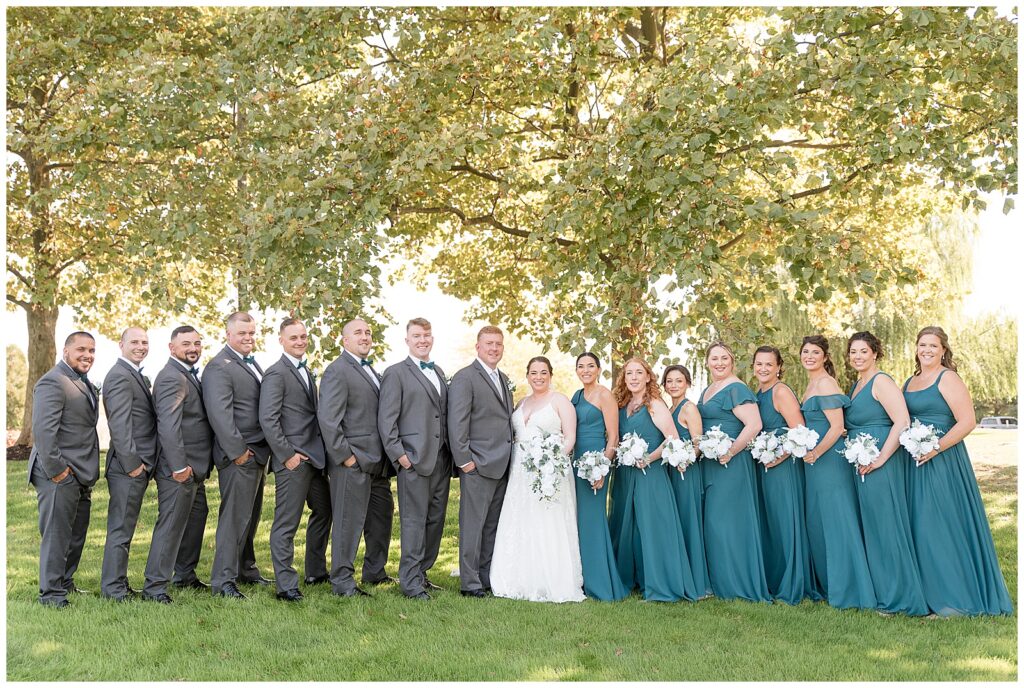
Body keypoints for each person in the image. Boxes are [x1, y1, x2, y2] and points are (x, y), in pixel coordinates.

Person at [902, 326, 1012, 616]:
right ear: (916, 348)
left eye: (933, 346)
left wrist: (935, 447)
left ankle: (955, 599)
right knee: (918, 526)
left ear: (943, 350)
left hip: (943, 460)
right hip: (913, 461)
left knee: (940, 525)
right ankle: (927, 595)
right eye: (922, 344)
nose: (927, 350)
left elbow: (967, 421)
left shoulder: (948, 378)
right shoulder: (910, 380)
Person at [845, 331, 927, 616]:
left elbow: (902, 420)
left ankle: (902, 598)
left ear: (875, 353)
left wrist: (880, 459)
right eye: (853, 352)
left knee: (887, 526)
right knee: (874, 527)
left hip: (882, 461)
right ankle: (883, 590)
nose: (857, 356)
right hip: (861, 460)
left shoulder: (881, 381)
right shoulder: (856, 385)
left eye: (863, 351)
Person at [490, 356, 584, 602]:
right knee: (521, 518)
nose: (538, 377)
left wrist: (550, 462)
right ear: (527, 375)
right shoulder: (520, 402)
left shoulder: (560, 401)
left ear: (550, 375)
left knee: (547, 519)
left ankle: (550, 578)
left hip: (550, 471)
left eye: (543, 372)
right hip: (519, 470)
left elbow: (570, 438)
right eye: (533, 372)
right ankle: (517, 576)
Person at [377, 318, 453, 600]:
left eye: (427, 335)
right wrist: (401, 456)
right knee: (413, 521)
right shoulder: (395, 373)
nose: (423, 340)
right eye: (417, 336)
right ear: (407, 340)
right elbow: (387, 421)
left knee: (435, 520)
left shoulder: (439, 371)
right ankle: (409, 582)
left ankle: (422, 572)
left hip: (441, 461)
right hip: (413, 460)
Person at [610, 357, 697, 601]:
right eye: (629, 374)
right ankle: (633, 577)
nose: (634, 377)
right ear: (624, 378)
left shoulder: (655, 404)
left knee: (652, 526)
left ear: (648, 377)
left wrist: (649, 458)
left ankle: (661, 581)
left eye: (639, 373)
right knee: (628, 525)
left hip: (650, 473)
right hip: (626, 473)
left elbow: (671, 438)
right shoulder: (621, 404)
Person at [798, 335, 875, 609]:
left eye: (815, 352)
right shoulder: (811, 384)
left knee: (836, 521)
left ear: (825, 357)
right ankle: (831, 584)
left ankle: (851, 588)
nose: (809, 356)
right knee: (819, 521)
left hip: (828, 461)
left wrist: (816, 453)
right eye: (805, 352)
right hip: (814, 462)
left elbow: (836, 427)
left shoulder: (826, 384)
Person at [258, 318, 332, 602]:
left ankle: (314, 571)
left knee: (325, 511)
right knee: (286, 523)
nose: (300, 341)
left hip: (314, 459)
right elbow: (268, 418)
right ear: (281, 340)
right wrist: (287, 455)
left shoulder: (305, 370)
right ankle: (286, 585)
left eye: (303, 337)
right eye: (294, 338)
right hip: (293, 461)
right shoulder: (277, 373)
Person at [319, 318, 393, 597]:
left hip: (378, 463)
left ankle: (375, 572)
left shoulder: (371, 370)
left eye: (368, 332)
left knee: (381, 518)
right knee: (348, 522)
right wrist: (345, 457)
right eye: (358, 332)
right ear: (344, 340)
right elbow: (328, 420)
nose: (364, 337)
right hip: (353, 462)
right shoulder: (338, 370)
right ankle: (342, 582)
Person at [28, 331, 100, 608]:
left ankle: (65, 582)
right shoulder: (52, 382)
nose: (87, 355)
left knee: (75, 533)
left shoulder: (82, 382)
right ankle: (51, 594)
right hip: (57, 472)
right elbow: (44, 433)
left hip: (80, 471)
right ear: (65, 351)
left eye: (92, 350)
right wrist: (59, 471)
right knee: (57, 534)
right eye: (81, 349)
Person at [142, 326, 214, 603]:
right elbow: (169, 427)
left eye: (197, 343)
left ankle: (185, 575)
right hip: (179, 469)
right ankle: (155, 587)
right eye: (186, 343)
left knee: (196, 518)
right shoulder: (172, 377)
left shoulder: (186, 374)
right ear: (172, 348)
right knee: (171, 525)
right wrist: (179, 466)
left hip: (195, 468)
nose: (193, 347)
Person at [203, 312, 272, 598]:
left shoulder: (251, 362)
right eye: (242, 333)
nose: (248, 338)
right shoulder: (219, 366)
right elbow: (220, 415)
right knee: (233, 519)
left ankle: (246, 569)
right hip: (239, 456)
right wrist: (238, 453)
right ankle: (223, 581)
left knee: (250, 517)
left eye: (251, 333)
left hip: (257, 453)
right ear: (228, 334)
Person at [696, 342, 770, 602]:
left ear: (732, 361)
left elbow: (754, 424)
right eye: (714, 358)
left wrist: (730, 451)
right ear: (707, 362)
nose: (719, 363)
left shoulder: (737, 389)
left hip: (731, 463)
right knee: (714, 522)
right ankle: (718, 581)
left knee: (728, 522)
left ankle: (737, 584)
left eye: (724, 358)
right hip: (710, 462)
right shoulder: (708, 390)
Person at [447, 325, 515, 598]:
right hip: (477, 465)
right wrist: (465, 461)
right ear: (478, 346)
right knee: (473, 526)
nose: (494, 348)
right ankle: (470, 582)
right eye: (489, 343)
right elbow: (457, 422)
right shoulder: (465, 378)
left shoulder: (504, 378)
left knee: (491, 526)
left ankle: (486, 576)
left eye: (498, 344)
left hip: (502, 465)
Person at [751, 346, 814, 605]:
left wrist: (780, 455)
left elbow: (799, 431)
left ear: (779, 367)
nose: (763, 369)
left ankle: (793, 584)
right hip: (766, 464)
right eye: (759, 364)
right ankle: (777, 580)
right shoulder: (759, 393)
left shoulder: (781, 391)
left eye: (769, 364)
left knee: (787, 521)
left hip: (783, 467)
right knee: (772, 522)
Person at [100, 327, 158, 602]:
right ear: (121, 344)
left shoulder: (132, 373)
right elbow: (120, 426)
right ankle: (113, 589)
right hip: (127, 468)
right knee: (120, 530)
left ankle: (119, 583)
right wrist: (134, 464)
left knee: (125, 528)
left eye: (144, 342)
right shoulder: (120, 376)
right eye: (134, 341)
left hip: (133, 466)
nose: (140, 346)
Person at [571, 353, 628, 601]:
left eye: (590, 366)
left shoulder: (605, 395)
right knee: (579, 521)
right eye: (581, 366)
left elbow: (613, 436)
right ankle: (581, 578)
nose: (585, 370)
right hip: (576, 462)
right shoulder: (576, 396)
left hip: (595, 462)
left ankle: (601, 583)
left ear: (599, 369)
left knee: (593, 520)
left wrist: (602, 468)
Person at [662, 363, 712, 599]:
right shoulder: (667, 409)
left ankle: (697, 581)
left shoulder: (689, 408)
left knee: (688, 520)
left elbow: (697, 442)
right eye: (669, 381)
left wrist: (686, 460)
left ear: (688, 384)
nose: (673, 385)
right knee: (675, 523)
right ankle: (677, 575)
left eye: (678, 381)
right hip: (669, 471)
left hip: (686, 471)